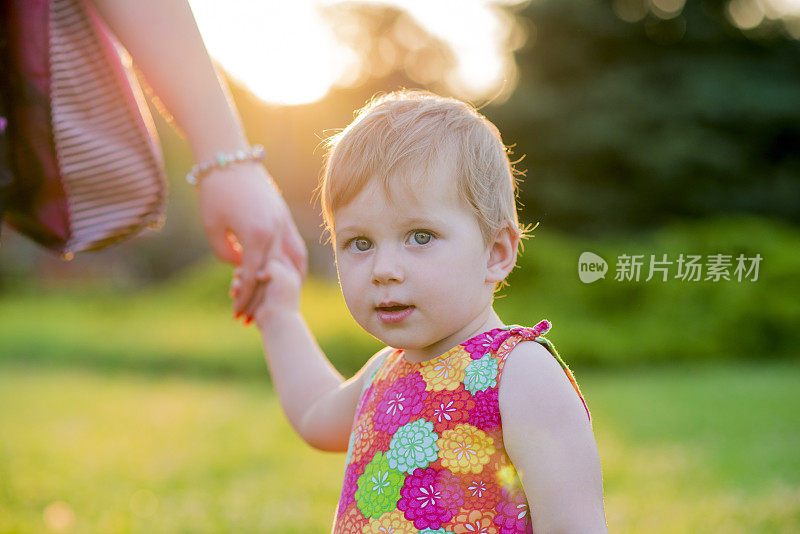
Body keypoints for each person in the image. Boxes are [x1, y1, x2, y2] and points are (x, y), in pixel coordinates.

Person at [233, 90, 608, 532]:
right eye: (360, 243)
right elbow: (316, 413)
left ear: (495, 251)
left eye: (420, 236)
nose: (384, 269)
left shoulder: (520, 373)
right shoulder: (382, 373)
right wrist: (279, 317)